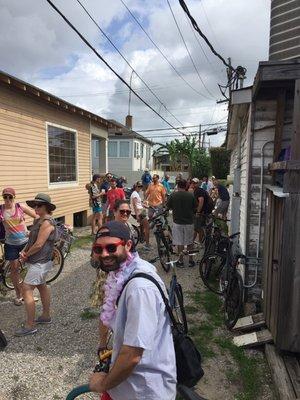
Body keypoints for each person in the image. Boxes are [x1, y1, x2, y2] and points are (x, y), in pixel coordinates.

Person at [89, 221, 176, 400]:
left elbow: (132, 355)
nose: (105, 254)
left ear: (128, 245)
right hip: (127, 385)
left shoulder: (139, 289)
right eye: (99, 249)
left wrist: (102, 384)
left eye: (111, 247)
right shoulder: (125, 270)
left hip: (143, 390)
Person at [15, 193, 57, 336]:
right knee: (41, 286)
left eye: (39, 205)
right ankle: (45, 316)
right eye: (35, 205)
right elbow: (32, 241)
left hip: (41, 262)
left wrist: (26, 255)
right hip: (37, 262)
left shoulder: (47, 223)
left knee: (26, 289)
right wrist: (24, 251)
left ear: (47, 207)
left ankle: (30, 325)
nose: (36, 208)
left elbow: (39, 245)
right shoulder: (38, 220)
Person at [0, 187, 36, 305]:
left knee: (32, 268)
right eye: (5, 197)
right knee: (14, 270)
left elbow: (37, 216)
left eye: (10, 196)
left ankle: (29, 294)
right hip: (11, 245)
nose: (8, 199)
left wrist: (33, 231)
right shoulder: (1, 210)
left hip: (25, 243)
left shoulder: (20, 207)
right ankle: (19, 295)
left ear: (14, 197)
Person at [167, 180, 197, 268]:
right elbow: (195, 207)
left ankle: (180, 261)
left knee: (180, 242)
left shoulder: (173, 195)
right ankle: (191, 261)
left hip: (177, 222)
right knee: (190, 242)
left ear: (178, 185)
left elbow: (168, 206)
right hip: (189, 222)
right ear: (186, 186)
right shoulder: (190, 195)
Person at [130, 181, 150, 250]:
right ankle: (147, 245)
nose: (140, 188)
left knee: (143, 226)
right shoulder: (135, 194)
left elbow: (139, 203)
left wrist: (145, 206)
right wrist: (137, 216)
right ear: (135, 186)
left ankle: (142, 237)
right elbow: (135, 205)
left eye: (141, 186)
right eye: (139, 186)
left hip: (140, 211)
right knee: (147, 227)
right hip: (139, 212)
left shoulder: (136, 193)